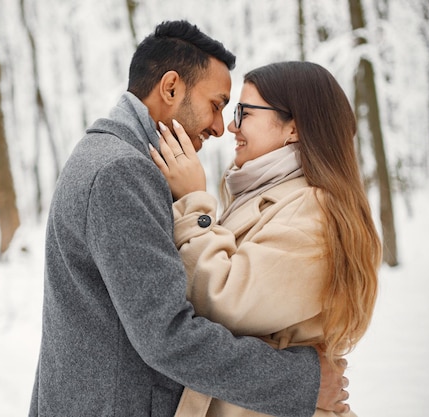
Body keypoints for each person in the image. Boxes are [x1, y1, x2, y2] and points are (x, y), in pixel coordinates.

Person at [29, 21, 349, 417]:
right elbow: (168, 337)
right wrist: (303, 381)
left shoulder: (108, 156)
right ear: (170, 88)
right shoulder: (123, 171)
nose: (220, 127)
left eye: (236, 112)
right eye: (217, 104)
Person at [150, 61, 381, 417]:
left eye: (244, 112)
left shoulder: (315, 213)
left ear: (294, 128)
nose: (230, 126)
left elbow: (226, 301)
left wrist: (193, 200)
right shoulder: (268, 197)